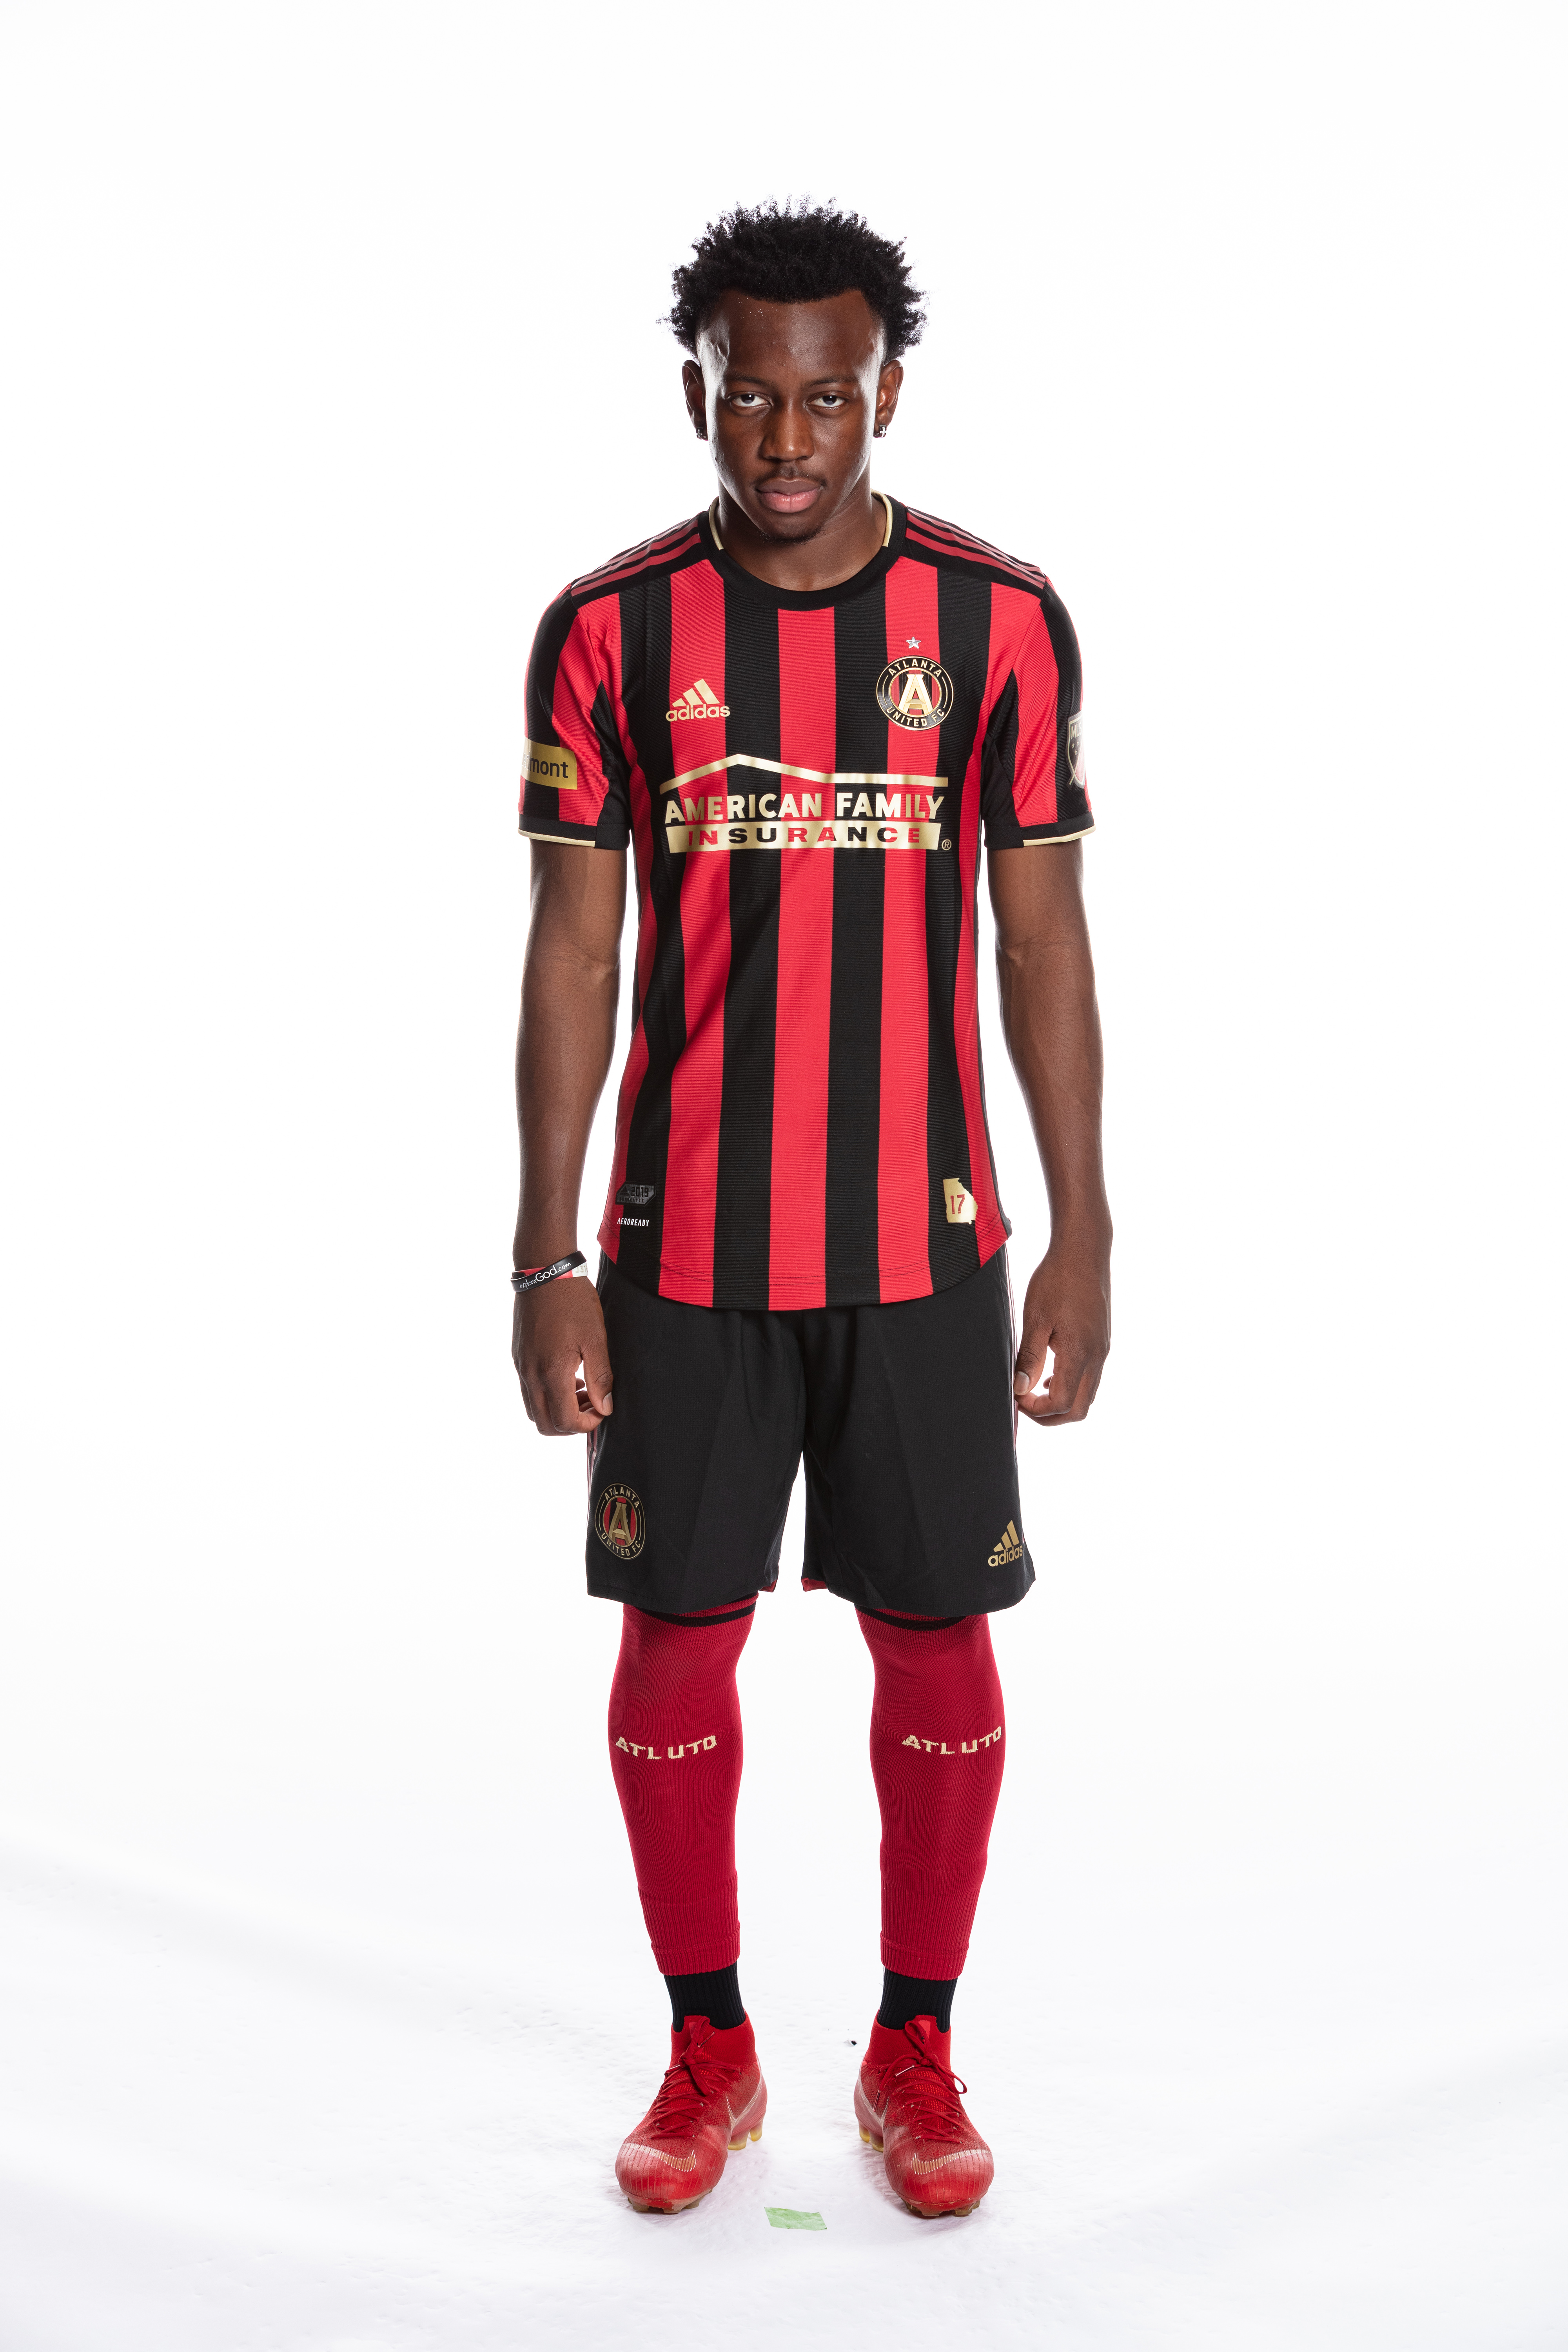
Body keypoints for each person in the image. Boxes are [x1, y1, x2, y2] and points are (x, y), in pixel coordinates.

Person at [511, 201, 1111, 2220]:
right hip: (683, 1252)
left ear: (887, 394)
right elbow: (572, 951)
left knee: (935, 1636)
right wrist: (545, 1255)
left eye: (826, 397)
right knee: (677, 1642)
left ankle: (911, 2048)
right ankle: (711, 2050)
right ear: (697, 390)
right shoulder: (607, 631)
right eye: (748, 397)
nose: (785, 438)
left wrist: (1085, 1227)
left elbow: (1042, 936)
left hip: (925, 1246)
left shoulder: (998, 619)